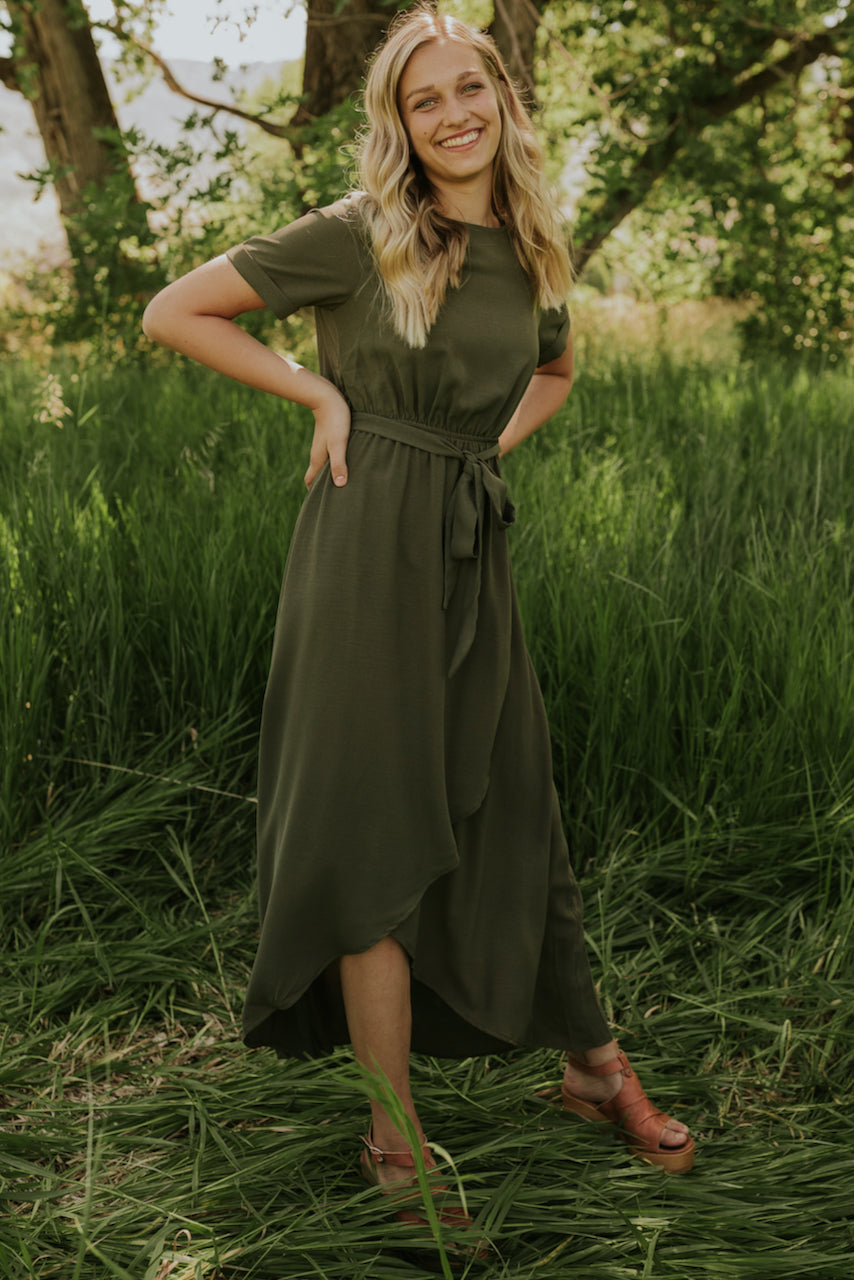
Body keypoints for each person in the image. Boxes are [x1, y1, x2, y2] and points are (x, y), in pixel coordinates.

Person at [142, 1, 694, 1247]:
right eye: (421, 98)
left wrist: (472, 451)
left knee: (512, 792)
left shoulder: (530, 243)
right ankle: (392, 1132)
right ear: (397, 121)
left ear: (502, 99)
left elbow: (551, 369)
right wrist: (319, 397)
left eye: (467, 90)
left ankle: (591, 1065)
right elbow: (175, 310)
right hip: (360, 549)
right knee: (374, 819)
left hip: (465, 535)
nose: (450, 115)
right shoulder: (359, 234)